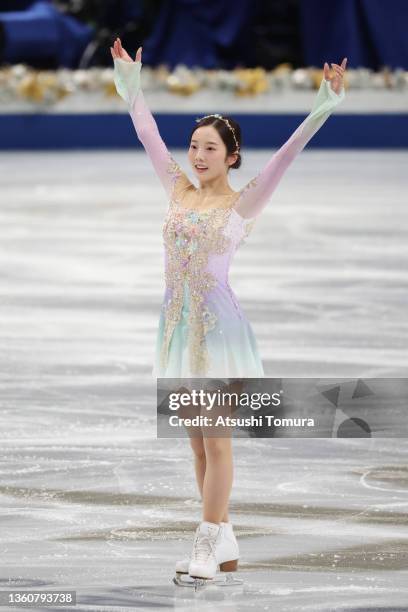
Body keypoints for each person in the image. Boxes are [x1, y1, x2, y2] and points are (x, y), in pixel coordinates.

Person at [111, 38, 347, 582]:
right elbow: (146, 131)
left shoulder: (242, 203)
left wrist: (323, 105)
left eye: (210, 148)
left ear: (232, 157)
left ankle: (203, 545)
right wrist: (131, 84)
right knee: (197, 449)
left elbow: (287, 153)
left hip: (219, 334)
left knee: (216, 444)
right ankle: (225, 539)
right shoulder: (177, 190)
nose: (197, 155)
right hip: (176, 330)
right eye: (193, 146)